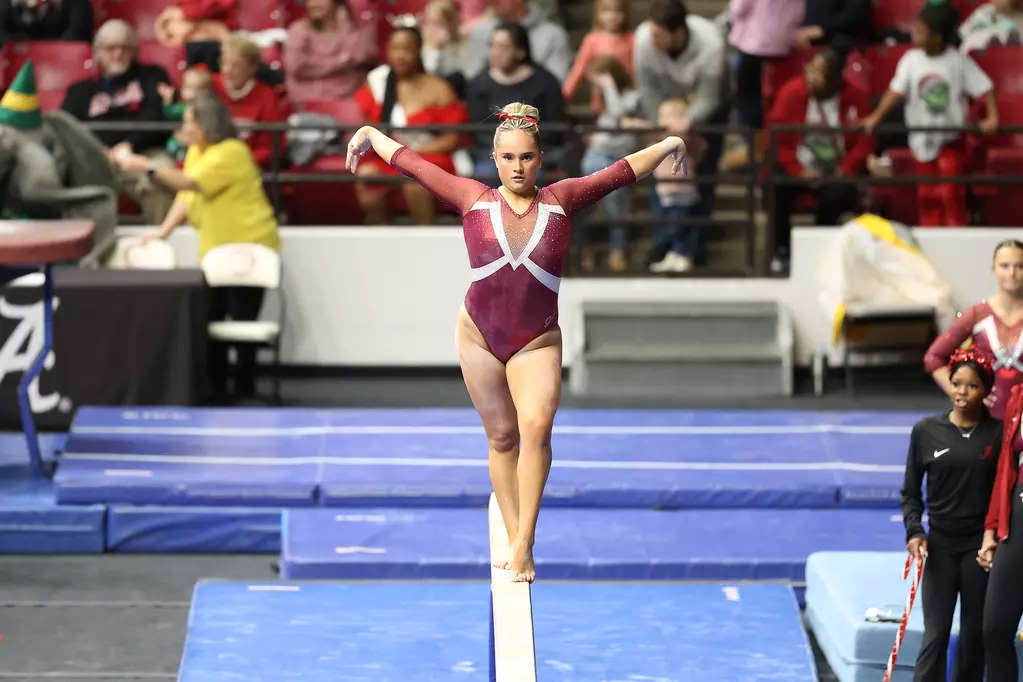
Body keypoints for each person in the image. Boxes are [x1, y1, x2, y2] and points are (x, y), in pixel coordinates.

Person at [344, 102, 686, 582]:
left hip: (536, 341)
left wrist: (670, 143)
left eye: (526, 158)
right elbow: (415, 164)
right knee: (502, 437)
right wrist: (370, 134)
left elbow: (620, 172)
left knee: (537, 429)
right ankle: (513, 533)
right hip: (478, 336)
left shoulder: (562, 200)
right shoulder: (472, 198)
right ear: (495, 158)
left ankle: (525, 540)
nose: (517, 167)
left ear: (540, 158)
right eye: (508, 159)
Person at [113, 93, 280, 401]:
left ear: (205, 125)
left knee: (242, 317)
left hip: (249, 244)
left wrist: (148, 166)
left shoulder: (231, 152)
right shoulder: (196, 153)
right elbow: (186, 197)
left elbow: (190, 184)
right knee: (210, 317)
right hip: (214, 249)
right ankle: (214, 389)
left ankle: (245, 389)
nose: (185, 127)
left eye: (189, 122)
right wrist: (163, 232)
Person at [901, 348, 1001, 682]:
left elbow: (1003, 495)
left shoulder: (999, 435)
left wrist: (996, 538)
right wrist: (915, 532)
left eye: (972, 386)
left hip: (979, 549)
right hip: (940, 546)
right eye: (956, 383)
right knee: (937, 633)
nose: (961, 392)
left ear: (986, 389)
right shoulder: (926, 431)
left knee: (974, 635)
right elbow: (911, 492)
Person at [862, 0, 998, 228]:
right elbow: (895, 91)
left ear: (937, 37)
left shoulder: (958, 61)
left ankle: (956, 235)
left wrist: (992, 117)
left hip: (950, 142)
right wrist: (875, 117)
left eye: (921, 31)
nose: (915, 33)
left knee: (951, 194)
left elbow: (986, 87)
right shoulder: (910, 60)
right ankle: (931, 234)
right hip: (920, 141)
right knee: (927, 196)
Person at [353, 25, 468, 225]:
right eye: (395, 49)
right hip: (390, 157)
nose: (400, 55)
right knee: (367, 176)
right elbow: (370, 130)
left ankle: (425, 236)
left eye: (407, 49)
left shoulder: (438, 88)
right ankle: (383, 235)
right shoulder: (377, 83)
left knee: (415, 179)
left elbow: (451, 139)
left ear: (418, 51)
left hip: (429, 157)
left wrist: (414, 151)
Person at [924, 240, 1023, 420]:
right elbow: (933, 358)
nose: (1012, 273)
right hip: (985, 421)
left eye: (1019, 266)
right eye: (1004, 265)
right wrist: (962, 392)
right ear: (993, 269)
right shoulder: (977, 314)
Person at [979, 376, 1023, 681]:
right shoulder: (1019, 396)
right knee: (995, 629)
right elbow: (1006, 466)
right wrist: (991, 529)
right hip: (1017, 520)